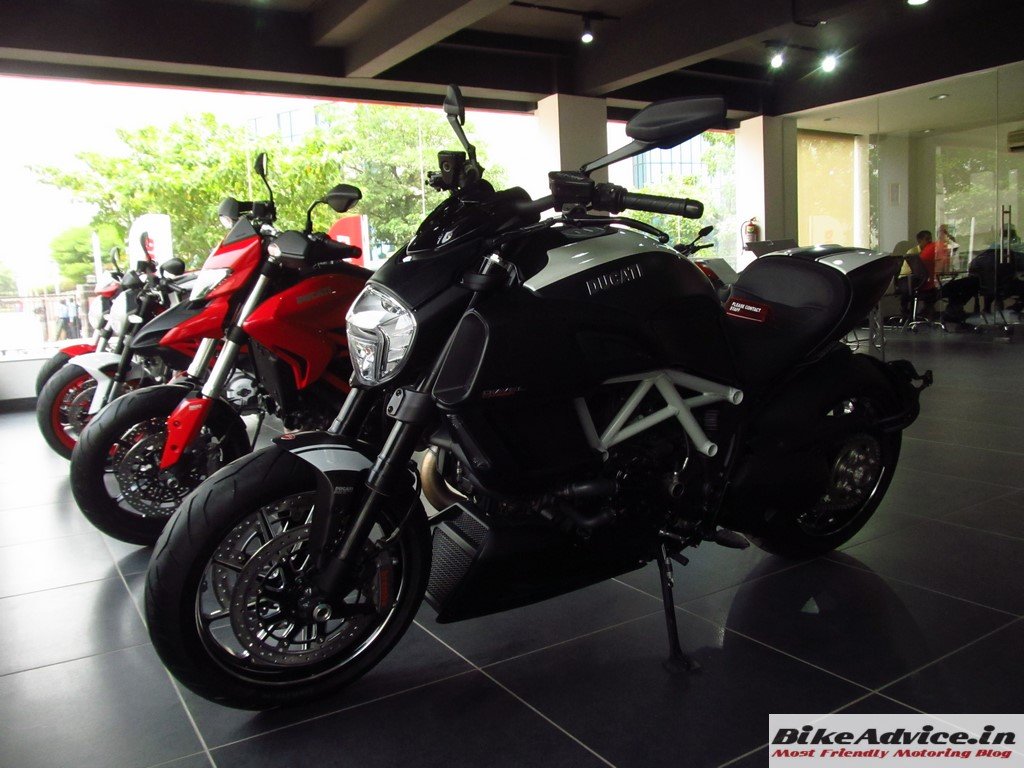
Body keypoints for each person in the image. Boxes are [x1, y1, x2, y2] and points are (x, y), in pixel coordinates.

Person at [895, 230, 938, 319]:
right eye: (927, 239)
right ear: (919, 241)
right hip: (906, 277)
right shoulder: (913, 252)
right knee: (909, 289)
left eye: (930, 238)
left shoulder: (931, 252)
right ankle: (905, 311)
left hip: (921, 277)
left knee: (934, 289)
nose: (930, 241)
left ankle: (926, 310)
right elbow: (917, 269)